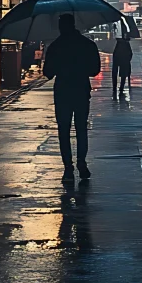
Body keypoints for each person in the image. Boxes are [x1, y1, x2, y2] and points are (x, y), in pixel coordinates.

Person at [43, 13, 101, 181]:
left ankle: (68, 167)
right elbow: (94, 70)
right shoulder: (87, 45)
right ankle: (81, 163)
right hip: (81, 90)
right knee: (81, 129)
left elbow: (47, 73)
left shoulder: (55, 46)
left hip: (62, 92)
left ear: (61, 26)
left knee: (64, 130)